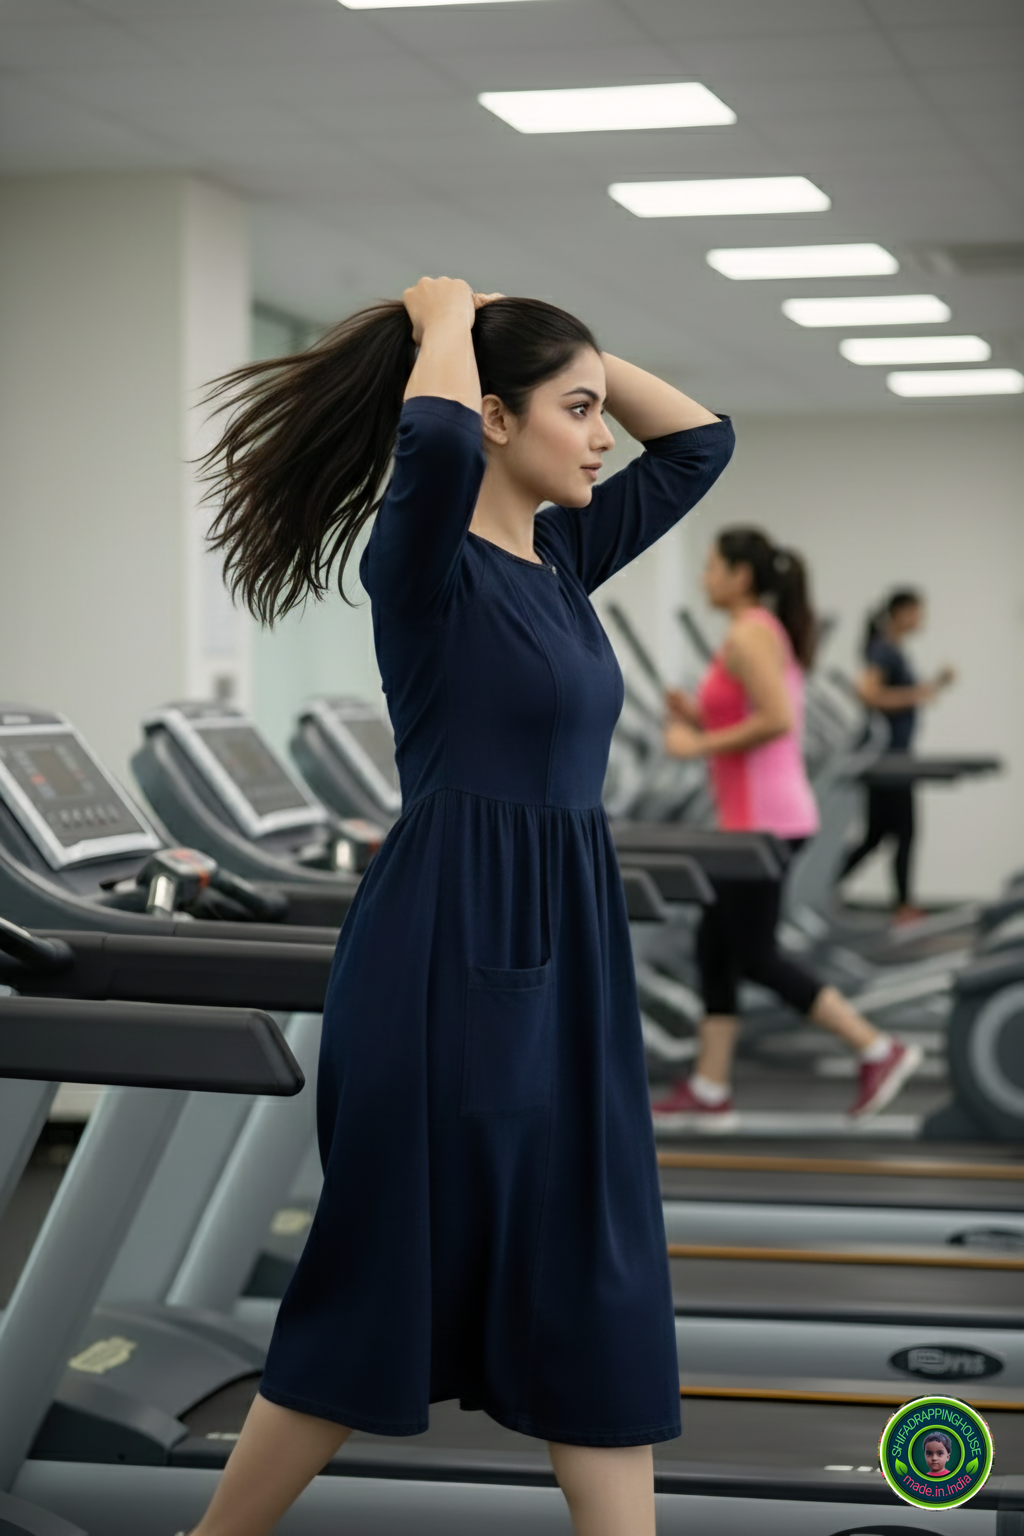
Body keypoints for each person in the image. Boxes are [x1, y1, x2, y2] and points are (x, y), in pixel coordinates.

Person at [184, 277, 735, 1536]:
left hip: (568, 944)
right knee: (391, 1258)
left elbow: (701, 441)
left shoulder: (562, 555)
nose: (604, 437)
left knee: (593, 1255)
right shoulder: (422, 561)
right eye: (577, 410)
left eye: (602, 411)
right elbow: (429, 438)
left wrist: (571, 351)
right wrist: (444, 321)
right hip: (447, 942)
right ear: (495, 417)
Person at [653, 527, 921, 1122]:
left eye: (713, 567)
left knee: (752, 953)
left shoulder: (750, 635)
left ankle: (878, 1048)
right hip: (755, 819)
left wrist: (695, 743)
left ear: (741, 577)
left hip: (762, 823)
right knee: (715, 947)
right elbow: (755, 715)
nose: (705, 578)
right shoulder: (755, 632)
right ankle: (710, 1089)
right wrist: (697, 714)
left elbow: (775, 721)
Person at [840, 589, 956, 923]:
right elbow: (868, 693)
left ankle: (895, 901)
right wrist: (919, 694)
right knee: (902, 832)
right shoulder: (883, 650)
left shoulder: (892, 650)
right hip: (888, 759)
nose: (921, 619)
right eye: (917, 612)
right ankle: (903, 905)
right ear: (901, 612)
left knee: (879, 835)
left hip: (895, 756)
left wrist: (932, 686)